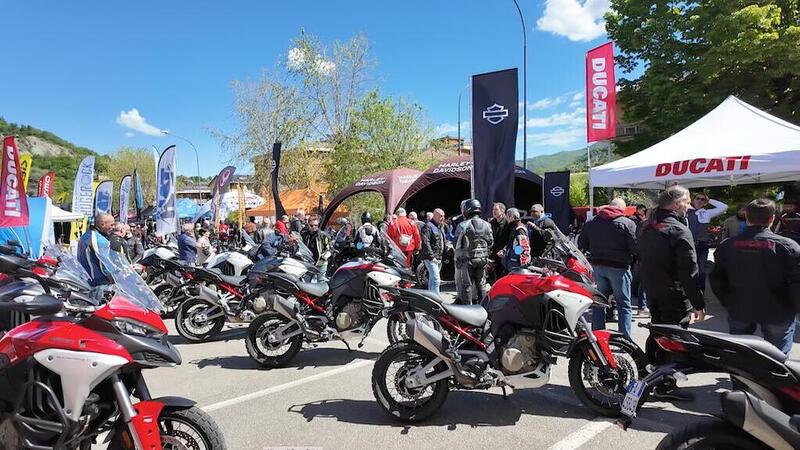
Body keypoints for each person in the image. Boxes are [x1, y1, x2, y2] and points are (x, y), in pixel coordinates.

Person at [638, 185, 706, 401]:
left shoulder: (647, 225)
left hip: (653, 289)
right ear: (677, 204)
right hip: (673, 294)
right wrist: (698, 303)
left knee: (658, 333)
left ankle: (649, 375)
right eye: (686, 202)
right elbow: (689, 271)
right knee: (672, 340)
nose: (688, 206)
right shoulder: (676, 229)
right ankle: (665, 385)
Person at [710, 198, 800, 355]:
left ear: (746, 216)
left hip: (740, 307)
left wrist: (729, 302)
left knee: (740, 355)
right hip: (778, 310)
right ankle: (771, 379)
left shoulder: (727, 246)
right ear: (772, 219)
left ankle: (742, 380)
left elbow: (717, 280)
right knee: (776, 358)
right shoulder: (788, 246)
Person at [578, 198, 637, 340]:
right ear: (621, 209)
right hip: (619, 268)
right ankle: (625, 339)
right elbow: (635, 247)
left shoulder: (591, 222)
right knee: (624, 305)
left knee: (599, 302)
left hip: (598, 265)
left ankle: (597, 337)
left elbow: (581, 243)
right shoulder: (627, 223)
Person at [453, 199, 493, 304]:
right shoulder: (487, 225)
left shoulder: (462, 225)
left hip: (467, 260)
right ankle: (484, 309)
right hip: (483, 260)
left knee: (467, 286)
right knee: (482, 286)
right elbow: (491, 242)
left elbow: (456, 244)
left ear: (467, 209)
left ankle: (468, 311)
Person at [687, 192, 727, 292]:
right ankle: (691, 294)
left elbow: (724, 207)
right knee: (689, 271)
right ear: (693, 200)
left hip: (702, 245)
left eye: (702, 199)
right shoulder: (686, 211)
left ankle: (701, 294)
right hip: (689, 245)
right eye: (698, 198)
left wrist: (709, 200)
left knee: (702, 271)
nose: (700, 201)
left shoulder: (707, 212)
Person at [78, 213, 115, 286]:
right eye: (111, 225)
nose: (113, 227)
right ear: (102, 224)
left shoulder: (85, 236)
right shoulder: (100, 240)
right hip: (98, 282)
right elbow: (105, 264)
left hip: (84, 278)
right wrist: (115, 278)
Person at [419, 208, 446, 292]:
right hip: (431, 258)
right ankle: (436, 299)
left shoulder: (440, 227)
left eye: (443, 216)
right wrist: (431, 256)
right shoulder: (428, 227)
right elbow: (426, 242)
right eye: (441, 216)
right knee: (436, 279)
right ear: (435, 216)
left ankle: (431, 299)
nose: (443, 218)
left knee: (432, 279)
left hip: (438, 257)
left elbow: (441, 241)